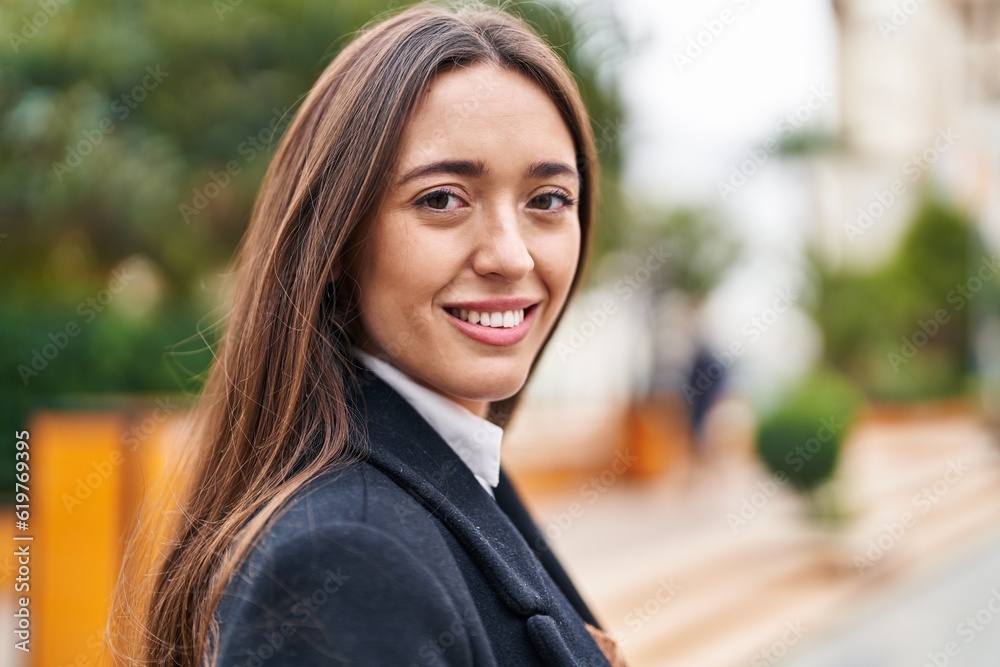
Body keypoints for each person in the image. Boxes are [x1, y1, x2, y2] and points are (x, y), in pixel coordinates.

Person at [116, 3, 624, 665]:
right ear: (337, 240)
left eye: (547, 200)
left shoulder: (459, 479)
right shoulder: (341, 559)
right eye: (442, 198)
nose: (513, 256)